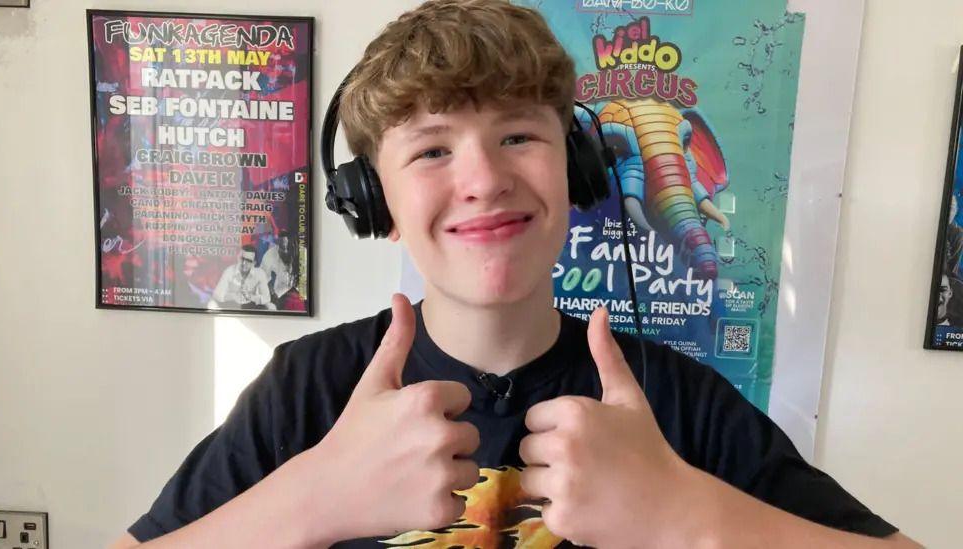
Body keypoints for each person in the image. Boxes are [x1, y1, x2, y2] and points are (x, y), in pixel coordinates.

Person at [111, 1, 920, 547]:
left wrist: (689, 514)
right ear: (373, 202)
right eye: (431, 149)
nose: (485, 179)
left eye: (519, 137)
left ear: (578, 170)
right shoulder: (306, 389)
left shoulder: (673, 402)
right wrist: (310, 497)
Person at [208, 245, 275, 310]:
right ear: (238, 257)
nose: (244, 263)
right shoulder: (229, 271)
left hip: (251, 305)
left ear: (254, 263)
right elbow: (217, 294)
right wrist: (233, 296)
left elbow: (266, 298)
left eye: (248, 260)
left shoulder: (260, 273)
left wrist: (250, 297)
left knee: (271, 307)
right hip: (231, 305)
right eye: (242, 259)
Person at [259, 230, 298, 309]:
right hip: (280, 291)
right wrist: (272, 293)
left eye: (288, 247)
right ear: (278, 245)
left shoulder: (302, 253)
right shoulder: (270, 254)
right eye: (282, 248)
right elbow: (262, 277)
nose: (286, 251)